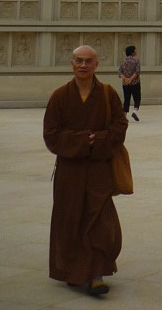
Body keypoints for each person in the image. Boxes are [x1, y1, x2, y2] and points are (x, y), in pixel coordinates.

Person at [43, 44, 127, 297]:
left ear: (96, 65)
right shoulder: (60, 96)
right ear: (71, 63)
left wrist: (98, 140)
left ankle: (95, 274)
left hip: (99, 168)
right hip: (70, 171)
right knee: (70, 219)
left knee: (99, 219)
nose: (83, 65)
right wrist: (83, 140)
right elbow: (51, 134)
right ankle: (72, 270)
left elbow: (120, 126)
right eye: (78, 60)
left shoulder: (107, 94)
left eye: (88, 61)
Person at [118, 44, 141, 121]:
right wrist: (130, 79)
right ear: (132, 52)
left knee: (126, 99)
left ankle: (124, 115)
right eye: (135, 50)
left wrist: (125, 79)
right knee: (137, 98)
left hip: (125, 84)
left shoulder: (123, 61)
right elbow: (137, 72)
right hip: (135, 83)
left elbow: (120, 72)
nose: (136, 51)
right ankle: (135, 111)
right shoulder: (136, 61)